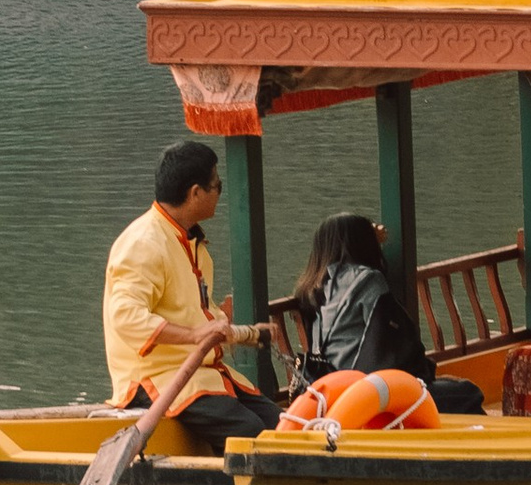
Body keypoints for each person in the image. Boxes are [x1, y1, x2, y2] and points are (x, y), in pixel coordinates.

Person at [103, 140, 274, 448]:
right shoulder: (144, 242)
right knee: (252, 433)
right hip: (158, 378)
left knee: (280, 424)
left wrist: (227, 322)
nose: (220, 193)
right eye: (217, 185)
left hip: (200, 374)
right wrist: (195, 334)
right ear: (196, 193)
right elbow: (125, 318)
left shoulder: (190, 242)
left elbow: (194, 314)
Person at [284, 210, 483, 416]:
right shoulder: (368, 280)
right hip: (366, 391)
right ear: (363, 242)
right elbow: (393, 342)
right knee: (468, 392)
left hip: (330, 386)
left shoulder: (311, 287)